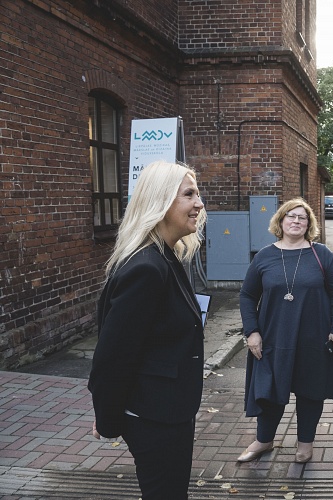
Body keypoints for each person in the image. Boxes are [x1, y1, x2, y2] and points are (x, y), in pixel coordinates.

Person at [88, 160, 207, 500]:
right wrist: (108, 418)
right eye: (189, 194)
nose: (199, 204)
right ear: (161, 201)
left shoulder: (166, 257)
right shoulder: (147, 268)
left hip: (169, 411)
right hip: (155, 417)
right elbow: (113, 357)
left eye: (197, 194)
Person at [237, 198, 333, 464]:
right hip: (273, 337)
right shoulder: (264, 256)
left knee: (310, 390)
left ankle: (305, 443)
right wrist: (252, 332)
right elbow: (247, 295)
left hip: (313, 337)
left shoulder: (322, 255)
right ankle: (263, 440)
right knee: (269, 390)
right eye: (291, 216)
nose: (296, 221)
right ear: (280, 221)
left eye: (303, 217)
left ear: (309, 224)